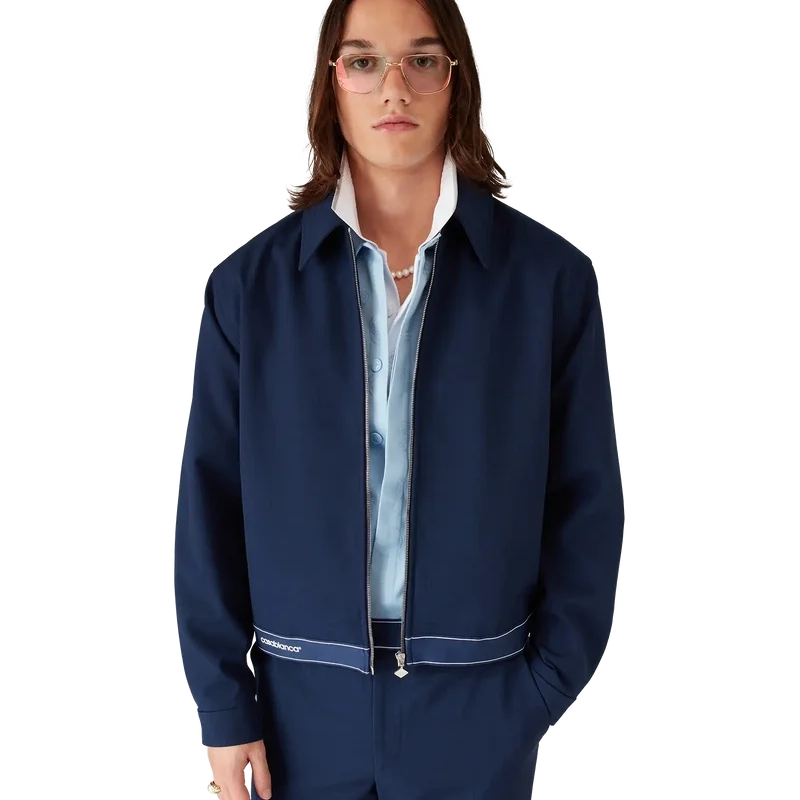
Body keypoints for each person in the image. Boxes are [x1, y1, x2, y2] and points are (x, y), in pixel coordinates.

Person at [173, 0, 625, 797]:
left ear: (457, 81)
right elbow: (210, 505)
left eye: (422, 60)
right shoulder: (251, 289)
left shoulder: (547, 282)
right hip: (296, 710)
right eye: (363, 61)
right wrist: (224, 708)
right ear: (331, 85)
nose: (394, 88)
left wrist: (541, 688)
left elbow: (585, 502)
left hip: (479, 701)